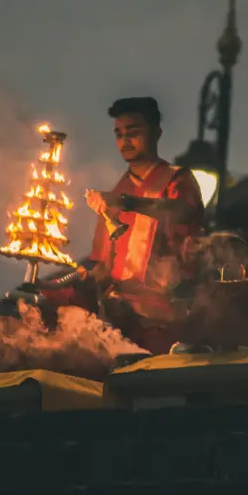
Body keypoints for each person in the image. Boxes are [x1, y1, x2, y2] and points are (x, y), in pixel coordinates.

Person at [43, 97, 206, 354]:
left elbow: (182, 212)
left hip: (169, 320)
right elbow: (103, 268)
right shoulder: (115, 194)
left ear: (156, 133)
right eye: (119, 135)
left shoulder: (176, 179)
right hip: (122, 322)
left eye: (133, 132)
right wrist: (64, 283)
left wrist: (128, 203)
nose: (125, 141)